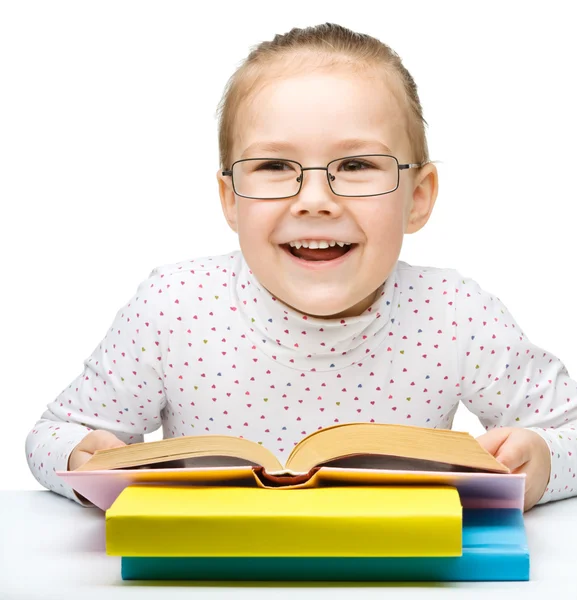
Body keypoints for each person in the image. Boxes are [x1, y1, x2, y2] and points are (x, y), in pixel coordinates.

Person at [25, 22, 576, 512]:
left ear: (418, 197)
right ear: (231, 200)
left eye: (357, 164)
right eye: (274, 165)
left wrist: (543, 462)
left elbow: (569, 432)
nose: (314, 198)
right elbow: (50, 435)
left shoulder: (456, 314)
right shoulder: (174, 306)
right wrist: (81, 457)